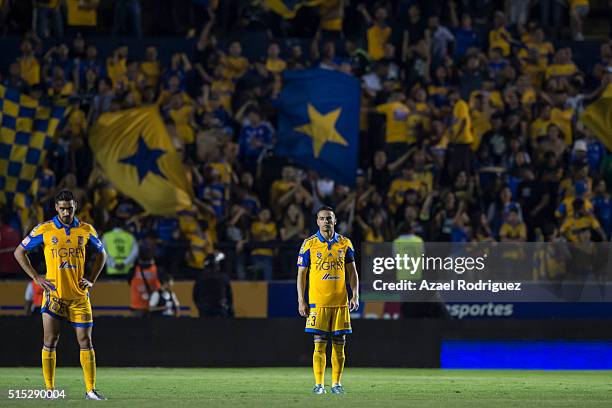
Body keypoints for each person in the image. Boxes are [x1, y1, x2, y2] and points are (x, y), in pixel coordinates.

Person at [13, 190, 107, 400]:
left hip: (79, 297)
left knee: (85, 341)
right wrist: (36, 277)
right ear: (56, 208)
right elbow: (19, 252)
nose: (66, 212)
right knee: (50, 340)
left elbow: (102, 254)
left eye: (69, 208)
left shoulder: (85, 230)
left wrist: (91, 279)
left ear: (76, 206)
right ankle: (49, 390)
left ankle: (90, 390)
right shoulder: (45, 229)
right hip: (54, 297)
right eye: (62, 208)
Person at [297, 206, 359, 395]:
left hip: (340, 303)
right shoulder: (309, 244)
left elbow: (352, 272)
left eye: (329, 218)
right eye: (322, 218)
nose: (326, 222)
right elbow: (301, 275)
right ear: (317, 221)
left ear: (335, 221)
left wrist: (355, 294)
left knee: (340, 343)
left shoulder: (345, 243)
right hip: (318, 303)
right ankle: (319, 384)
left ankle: (336, 384)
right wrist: (301, 300)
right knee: (319, 343)